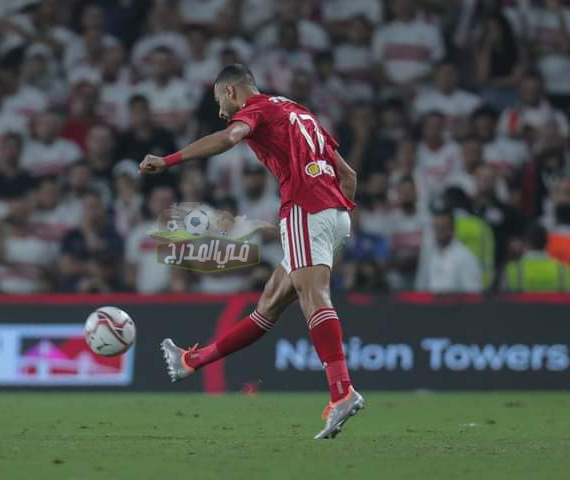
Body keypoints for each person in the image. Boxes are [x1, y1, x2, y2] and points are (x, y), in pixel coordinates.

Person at [139, 64, 363, 440]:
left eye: (219, 102)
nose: (222, 113)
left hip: (305, 208)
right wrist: (337, 226)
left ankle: (342, 392)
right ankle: (191, 361)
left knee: (314, 297)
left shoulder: (254, 110)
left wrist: (169, 161)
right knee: (269, 307)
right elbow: (349, 176)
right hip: (335, 211)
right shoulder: (299, 111)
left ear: (230, 92)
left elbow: (229, 139)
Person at [415, 207, 483, 294]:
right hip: (430, 305)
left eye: (443, 228)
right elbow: (421, 285)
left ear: (452, 229)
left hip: (457, 305)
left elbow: (473, 292)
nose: (439, 232)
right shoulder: (428, 253)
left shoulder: (465, 256)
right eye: (436, 227)